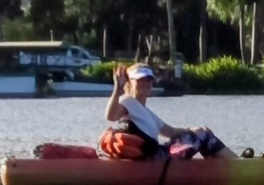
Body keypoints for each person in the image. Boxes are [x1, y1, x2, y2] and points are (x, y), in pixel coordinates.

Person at [102, 62, 238, 160]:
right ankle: (237, 163)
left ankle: (222, 165)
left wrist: (191, 130)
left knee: (201, 132)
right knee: (203, 134)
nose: (146, 83)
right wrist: (117, 90)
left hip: (158, 154)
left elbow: (170, 132)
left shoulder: (146, 112)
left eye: (149, 79)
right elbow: (111, 116)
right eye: (140, 79)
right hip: (156, 159)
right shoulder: (126, 101)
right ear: (130, 82)